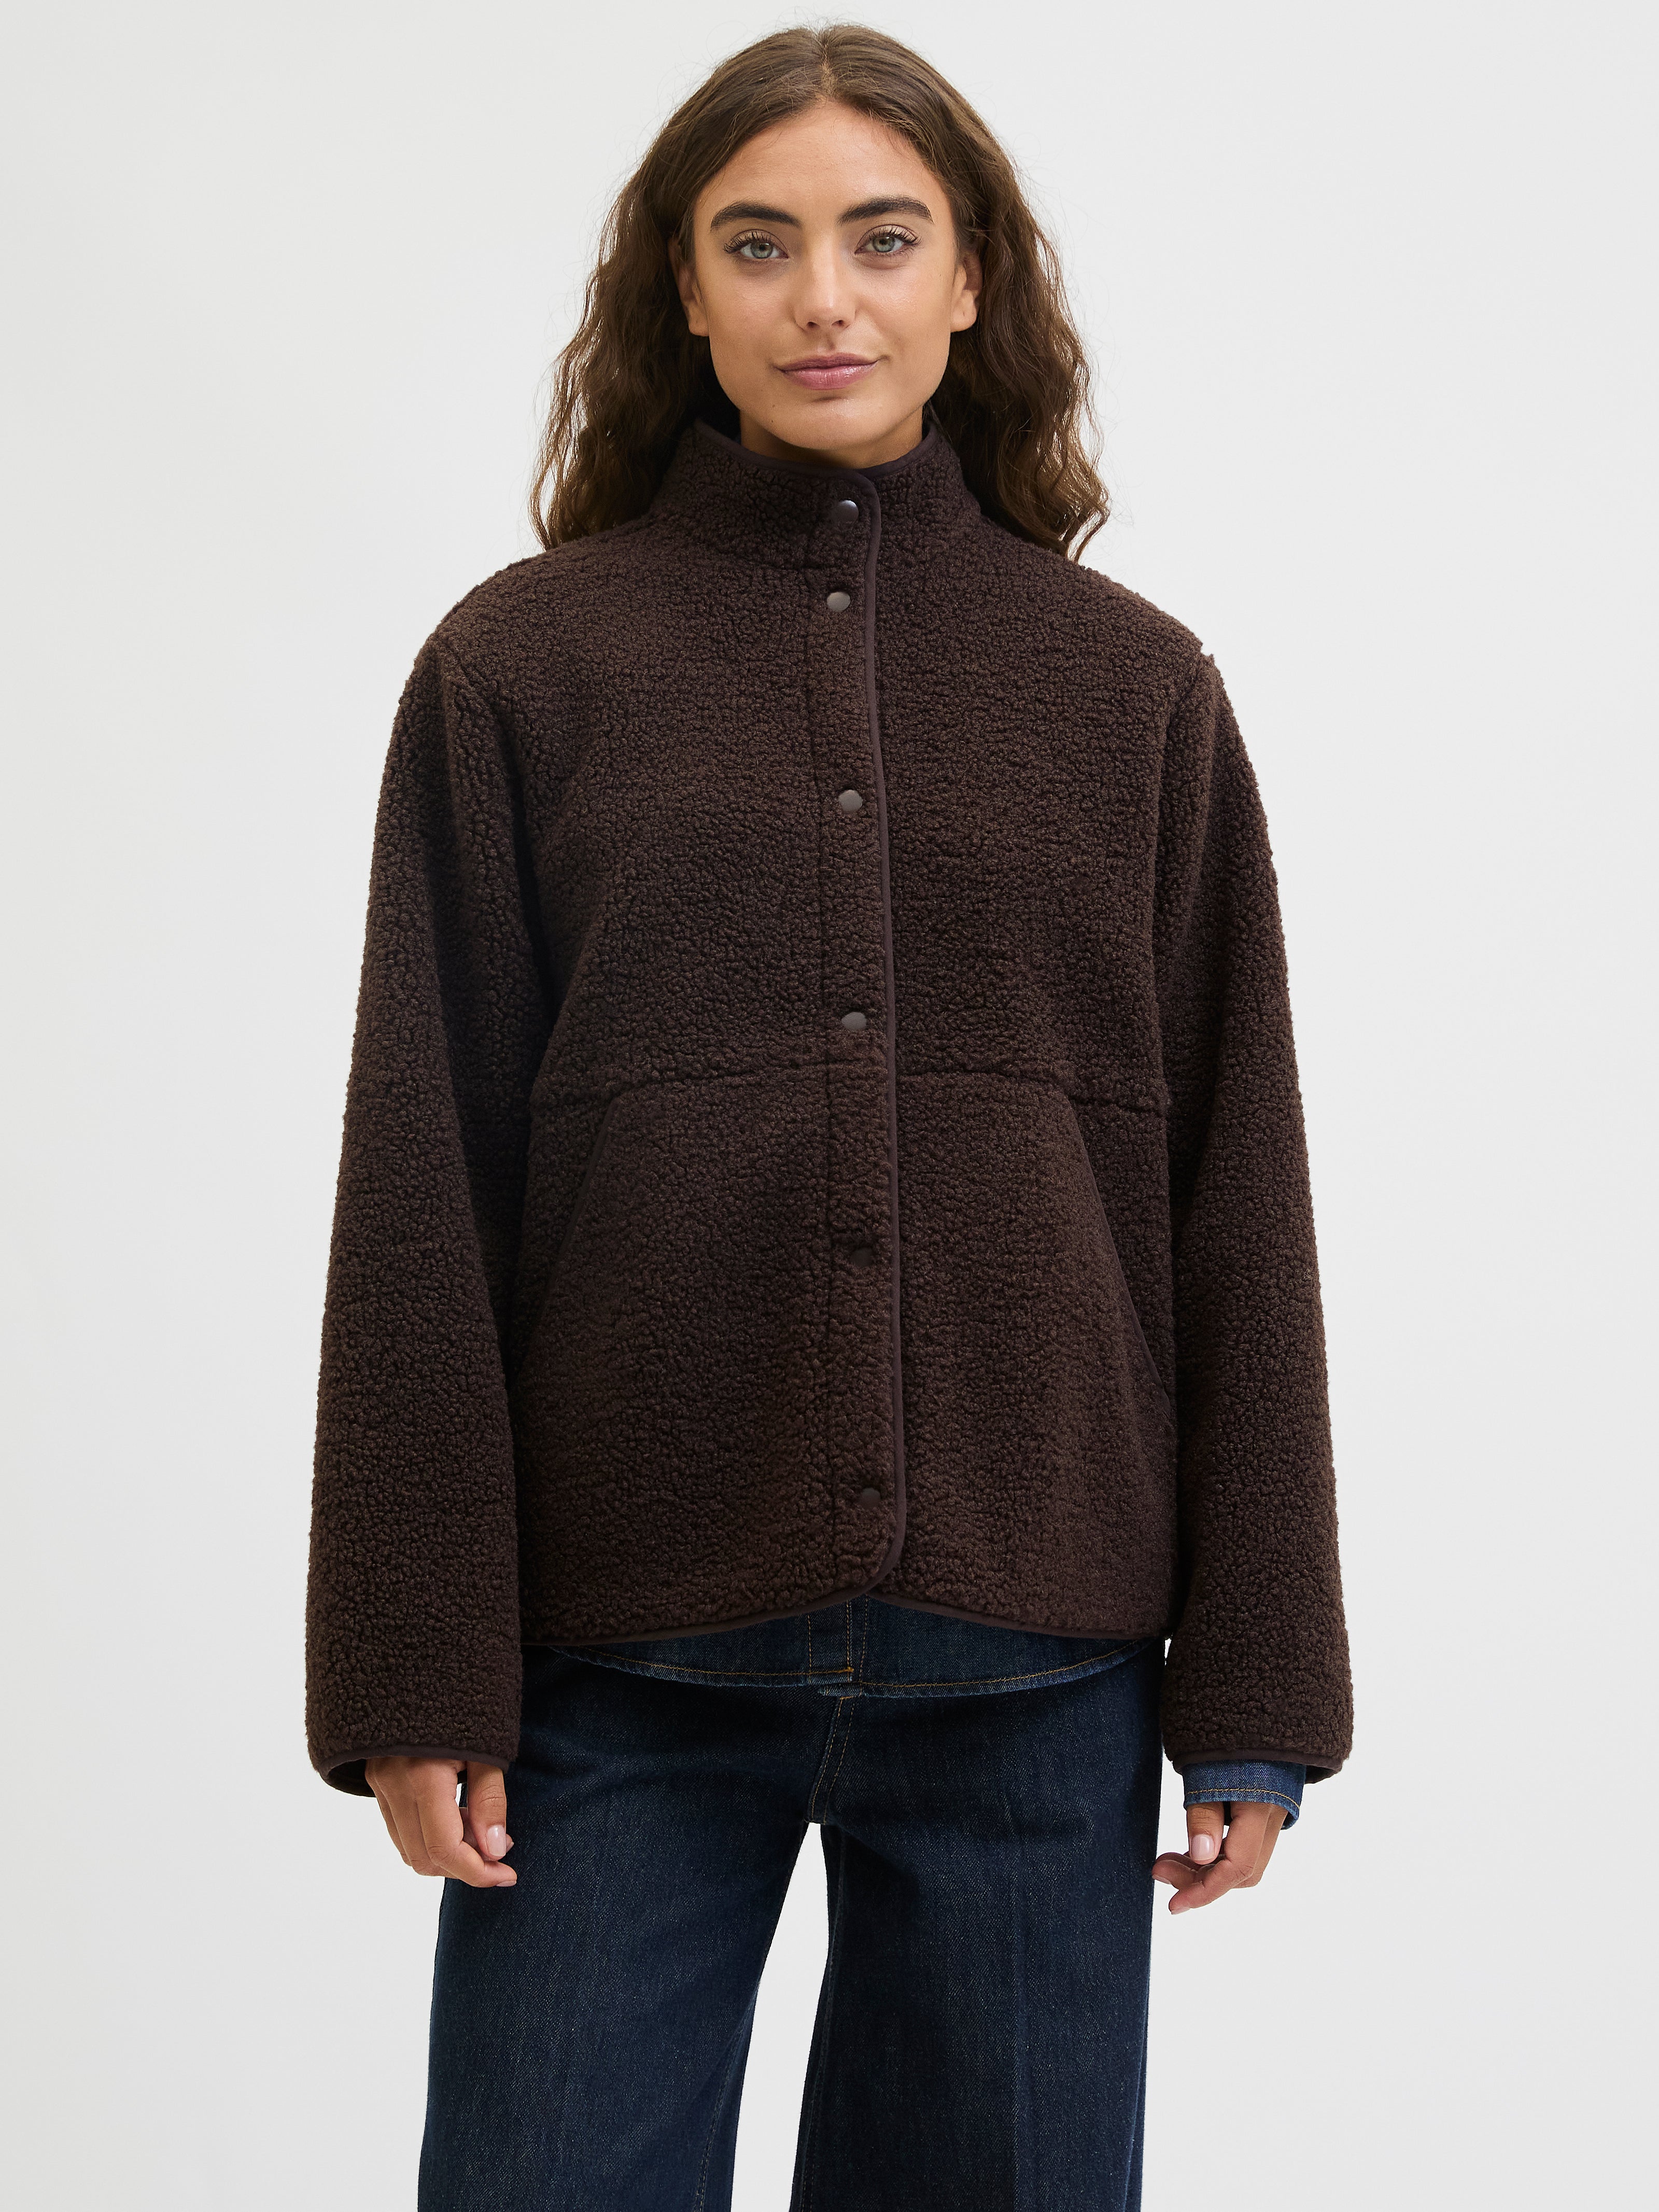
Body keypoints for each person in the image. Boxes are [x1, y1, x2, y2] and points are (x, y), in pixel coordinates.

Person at [304, 23, 1353, 2210]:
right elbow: (422, 1189)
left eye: (882, 240)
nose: (824, 300)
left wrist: (1257, 1676)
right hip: (617, 1656)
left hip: (1035, 1661)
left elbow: (1234, 1192)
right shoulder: (520, 671)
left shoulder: (1129, 689)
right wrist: (417, 1662)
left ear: (970, 280)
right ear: (681, 293)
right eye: (758, 244)